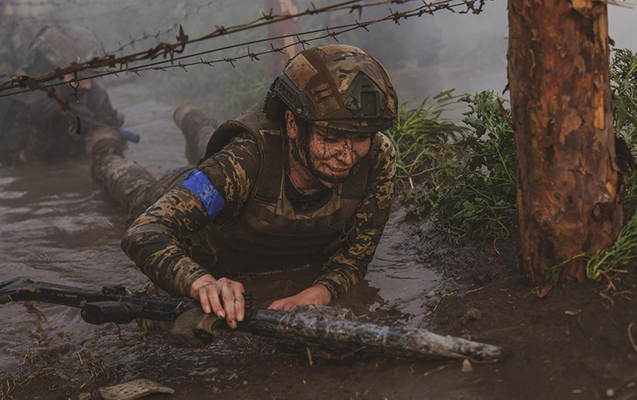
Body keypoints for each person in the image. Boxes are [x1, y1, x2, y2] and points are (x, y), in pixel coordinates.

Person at [92, 44, 398, 329]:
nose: (347, 157)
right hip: (192, 193)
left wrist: (318, 293)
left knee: (209, 139)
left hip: (234, 176)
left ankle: (189, 115)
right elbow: (145, 231)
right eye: (331, 138)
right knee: (128, 183)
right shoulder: (243, 161)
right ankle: (105, 147)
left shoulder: (375, 157)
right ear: (293, 125)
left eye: (361, 138)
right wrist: (202, 283)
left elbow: (354, 259)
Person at [0, 25, 123, 166]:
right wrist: (39, 128)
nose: (87, 85)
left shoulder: (92, 92)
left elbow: (109, 128)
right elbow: (15, 168)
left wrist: (107, 148)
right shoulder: (14, 100)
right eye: (76, 77)